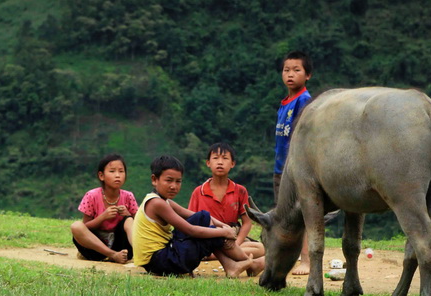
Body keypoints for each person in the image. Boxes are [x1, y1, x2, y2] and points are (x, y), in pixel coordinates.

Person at [132, 155, 255, 277]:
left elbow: (195, 216)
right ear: (154, 179)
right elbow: (190, 230)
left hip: (162, 258)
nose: (173, 186)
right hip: (160, 261)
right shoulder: (157, 203)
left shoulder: (163, 201)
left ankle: (233, 265)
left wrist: (224, 227)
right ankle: (250, 265)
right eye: (169, 180)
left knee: (202, 217)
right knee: (211, 232)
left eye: (178, 181)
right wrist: (224, 233)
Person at [188, 142, 265, 274]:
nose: (220, 162)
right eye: (215, 158)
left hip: (232, 238)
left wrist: (237, 244)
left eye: (225, 158)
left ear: (232, 164)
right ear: (208, 163)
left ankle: (230, 256)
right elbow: (190, 220)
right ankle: (250, 263)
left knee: (261, 248)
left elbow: (247, 223)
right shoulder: (199, 192)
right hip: (208, 239)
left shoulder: (240, 190)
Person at [274, 50, 313, 275]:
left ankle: (306, 260)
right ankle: (286, 258)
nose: (290, 74)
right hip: (281, 168)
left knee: (303, 214)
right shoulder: (285, 103)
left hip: (296, 169)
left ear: (307, 75)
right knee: (284, 216)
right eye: (287, 70)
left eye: (297, 70)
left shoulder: (304, 101)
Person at [70, 154, 138, 264]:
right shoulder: (91, 196)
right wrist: (102, 217)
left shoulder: (128, 196)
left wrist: (128, 214)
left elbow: (138, 225)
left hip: (121, 247)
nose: (117, 175)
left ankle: (141, 254)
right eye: (112, 171)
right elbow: (86, 227)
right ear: (101, 176)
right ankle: (112, 255)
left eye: (121, 171)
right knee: (76, 226)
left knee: (130, 220)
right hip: (96, 248)